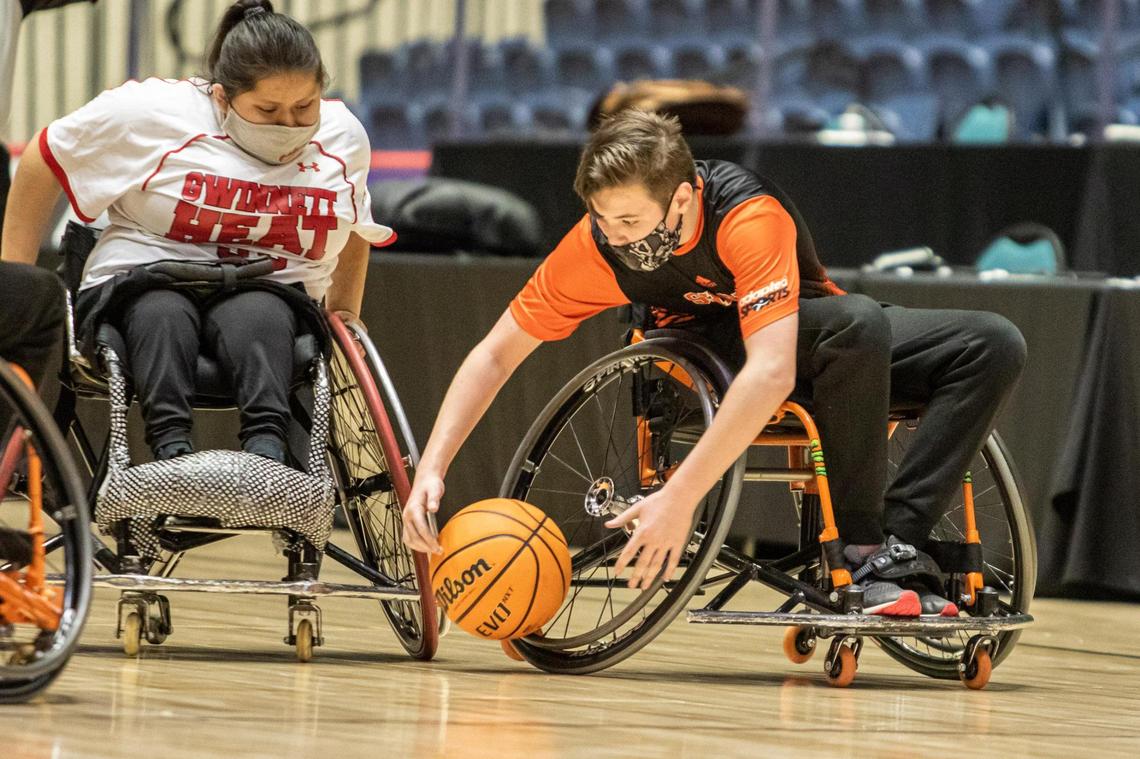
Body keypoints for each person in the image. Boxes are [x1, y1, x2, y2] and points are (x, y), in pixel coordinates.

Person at [401, 109, 1026, 617]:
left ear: (681, 198)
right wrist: (433, 465)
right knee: (855, 323)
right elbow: (495, 352)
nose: (615, 236)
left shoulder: (747, 216)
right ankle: (861, 549)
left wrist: (679, 496)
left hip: (803, 335)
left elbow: (774, 369)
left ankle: (896, 541)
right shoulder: (595, 250)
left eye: (629, 220)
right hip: (697, 354)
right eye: (601, 218)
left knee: (992, 343)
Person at [1, 0, 392, 467]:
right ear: (222, 98)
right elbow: (45, 157)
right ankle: (170, 454)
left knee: (263, 315)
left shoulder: (343, 136)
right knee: (161, 314)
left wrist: (345, 310)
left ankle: (267, 460)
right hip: (146, 278)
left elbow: (354, 225)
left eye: (304, 106)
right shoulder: (152, 112)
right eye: (268, 109)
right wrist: (14, 282)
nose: (289, 124)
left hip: (268, 290)